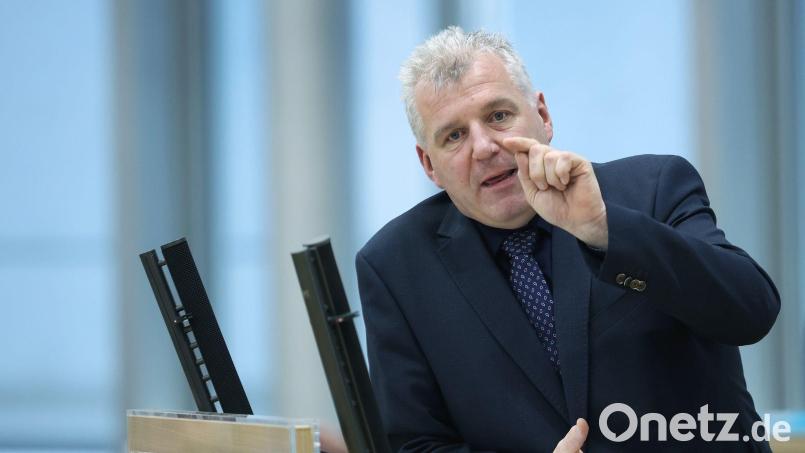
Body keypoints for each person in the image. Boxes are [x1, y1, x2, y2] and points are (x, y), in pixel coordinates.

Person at [355, 27, 780, 452]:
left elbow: (751, 310)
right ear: (429, 164)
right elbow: (415, 444)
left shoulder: (652, 188)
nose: (483, 147)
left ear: (542, 115)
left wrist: (606, 230)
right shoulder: (395, 266)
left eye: (498, 116)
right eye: (454, 136)